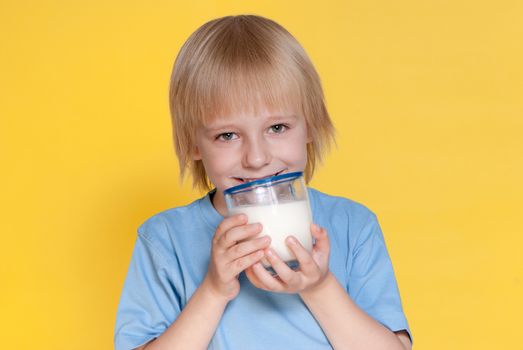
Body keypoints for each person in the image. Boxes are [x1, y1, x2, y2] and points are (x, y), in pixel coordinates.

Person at [114, 15, 412, 350]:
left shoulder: (352, 225)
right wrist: (213, 291)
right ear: (194, 144)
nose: (256, 158)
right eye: (227, 135)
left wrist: (320, 287)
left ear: (310, 125)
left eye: (277, 128)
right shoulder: (165, 240)